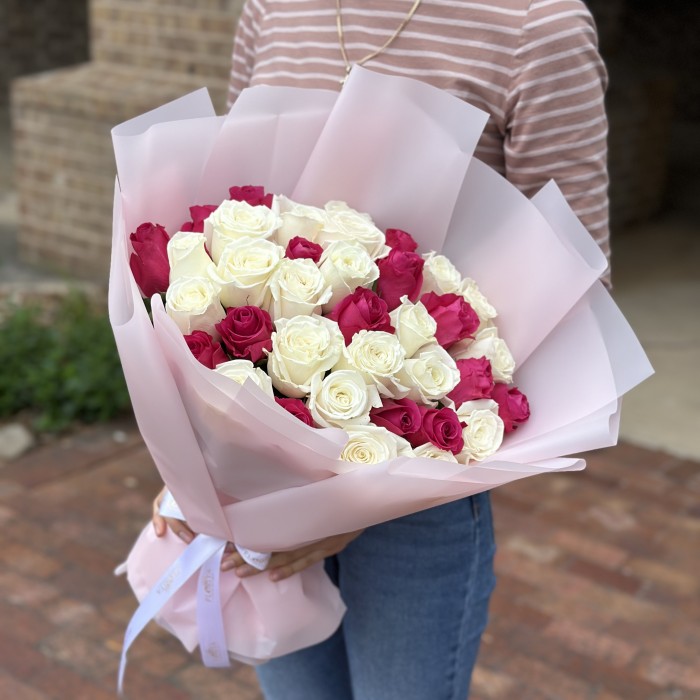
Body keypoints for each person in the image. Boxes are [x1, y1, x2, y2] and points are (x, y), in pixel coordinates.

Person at [154, 1, 610, 697]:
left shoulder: (535, 23)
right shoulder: (273, 7)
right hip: (263, 482)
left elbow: (573, 284)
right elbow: (233, 220)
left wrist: (354, 504)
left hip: (420, 477)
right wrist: (193, 457)